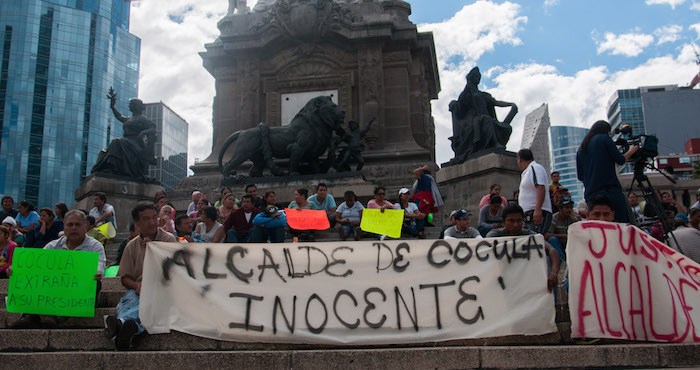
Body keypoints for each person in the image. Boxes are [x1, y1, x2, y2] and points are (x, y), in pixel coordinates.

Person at [9, 210, 105, 329]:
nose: (73, 228)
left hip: (80, 289)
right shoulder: (53, 246)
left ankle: (57, 317)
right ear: (64, 228)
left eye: (77, 224)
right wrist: (15, 269)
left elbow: (100, 266)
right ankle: (30, 315)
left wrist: (97, 273)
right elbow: (35, 265)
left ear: (85, 227)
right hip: (55, 289)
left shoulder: (95, 246)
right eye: (70, 225)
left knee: (96, 283)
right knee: (36, 278)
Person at [104, 202, 176, 350]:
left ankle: (122, 324)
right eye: (146, 219)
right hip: (138, 290)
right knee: (129, 300)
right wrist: (137, 286)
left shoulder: (169, 240)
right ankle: (129, 327)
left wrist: (154, 250)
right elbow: (125, 278)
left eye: (154, 218)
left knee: (151, 303)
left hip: (163, 289)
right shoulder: (131, 246)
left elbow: (175, 271)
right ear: (137, 222)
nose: (151, 222)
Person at [486, 205, 561, 293]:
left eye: (519, 221)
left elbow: (552, 250)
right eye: (511, 221)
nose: (516, 225)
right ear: (503, 222)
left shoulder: (529, 235)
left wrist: (554, 273)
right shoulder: (494, 236)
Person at [576, 120, 638, 223]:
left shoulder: (582, 148)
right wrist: (632, 150)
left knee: (598, 227)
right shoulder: (604, 138)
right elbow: (620, 160)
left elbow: (580, 176)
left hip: (591, 194)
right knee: (619, 224)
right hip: (609, 191)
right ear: (607, 131)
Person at [91, 90, 157, 181]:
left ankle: (113, 167)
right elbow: (119, 117)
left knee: (116, 142)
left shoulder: (142, 119)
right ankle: (104, 169)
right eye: (130, 104)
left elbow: (153, 129)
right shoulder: (130, 119)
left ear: (137, 107)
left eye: (132, 104)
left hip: (135, 143)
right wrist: (112, 107)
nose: (130, 106)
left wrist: (143, 132)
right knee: (103, 152)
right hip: (126, 143)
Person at [517, 149, 553, 235]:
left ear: (519, 159)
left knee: (536, 240)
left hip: (537, 212)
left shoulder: (535, 168)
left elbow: (540, 187)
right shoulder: (527, 171)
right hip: (529, 215)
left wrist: (538, 209)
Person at [544, 197, 579, 262]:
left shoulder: (574, 220)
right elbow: (546, 235)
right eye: (566, 207)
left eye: (571, 207)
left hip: (569, 244)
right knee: (553, 240)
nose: (569, 210)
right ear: (560, 208)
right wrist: (564, 236)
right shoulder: (554, 218)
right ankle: (562, 261)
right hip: (559, 245)